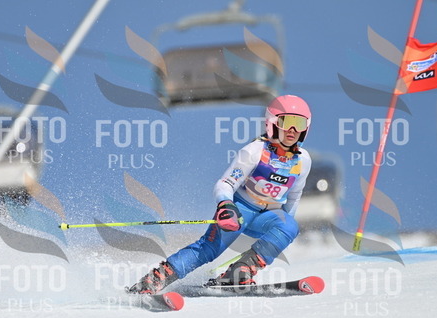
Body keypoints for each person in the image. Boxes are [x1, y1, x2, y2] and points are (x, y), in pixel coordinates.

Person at [127, 94, 314, 294]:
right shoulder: (255, 151)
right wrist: (226, 206)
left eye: (299, 123)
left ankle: (239, 272)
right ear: (273, 123)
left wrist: (283, 232)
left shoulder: (303, 161)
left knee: (290, 225)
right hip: (240, 211)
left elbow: (294, 196)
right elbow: (225, 183)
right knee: (209, 249)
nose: (293, 130)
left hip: (266, 217)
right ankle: (155, 279)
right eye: (287, 122)